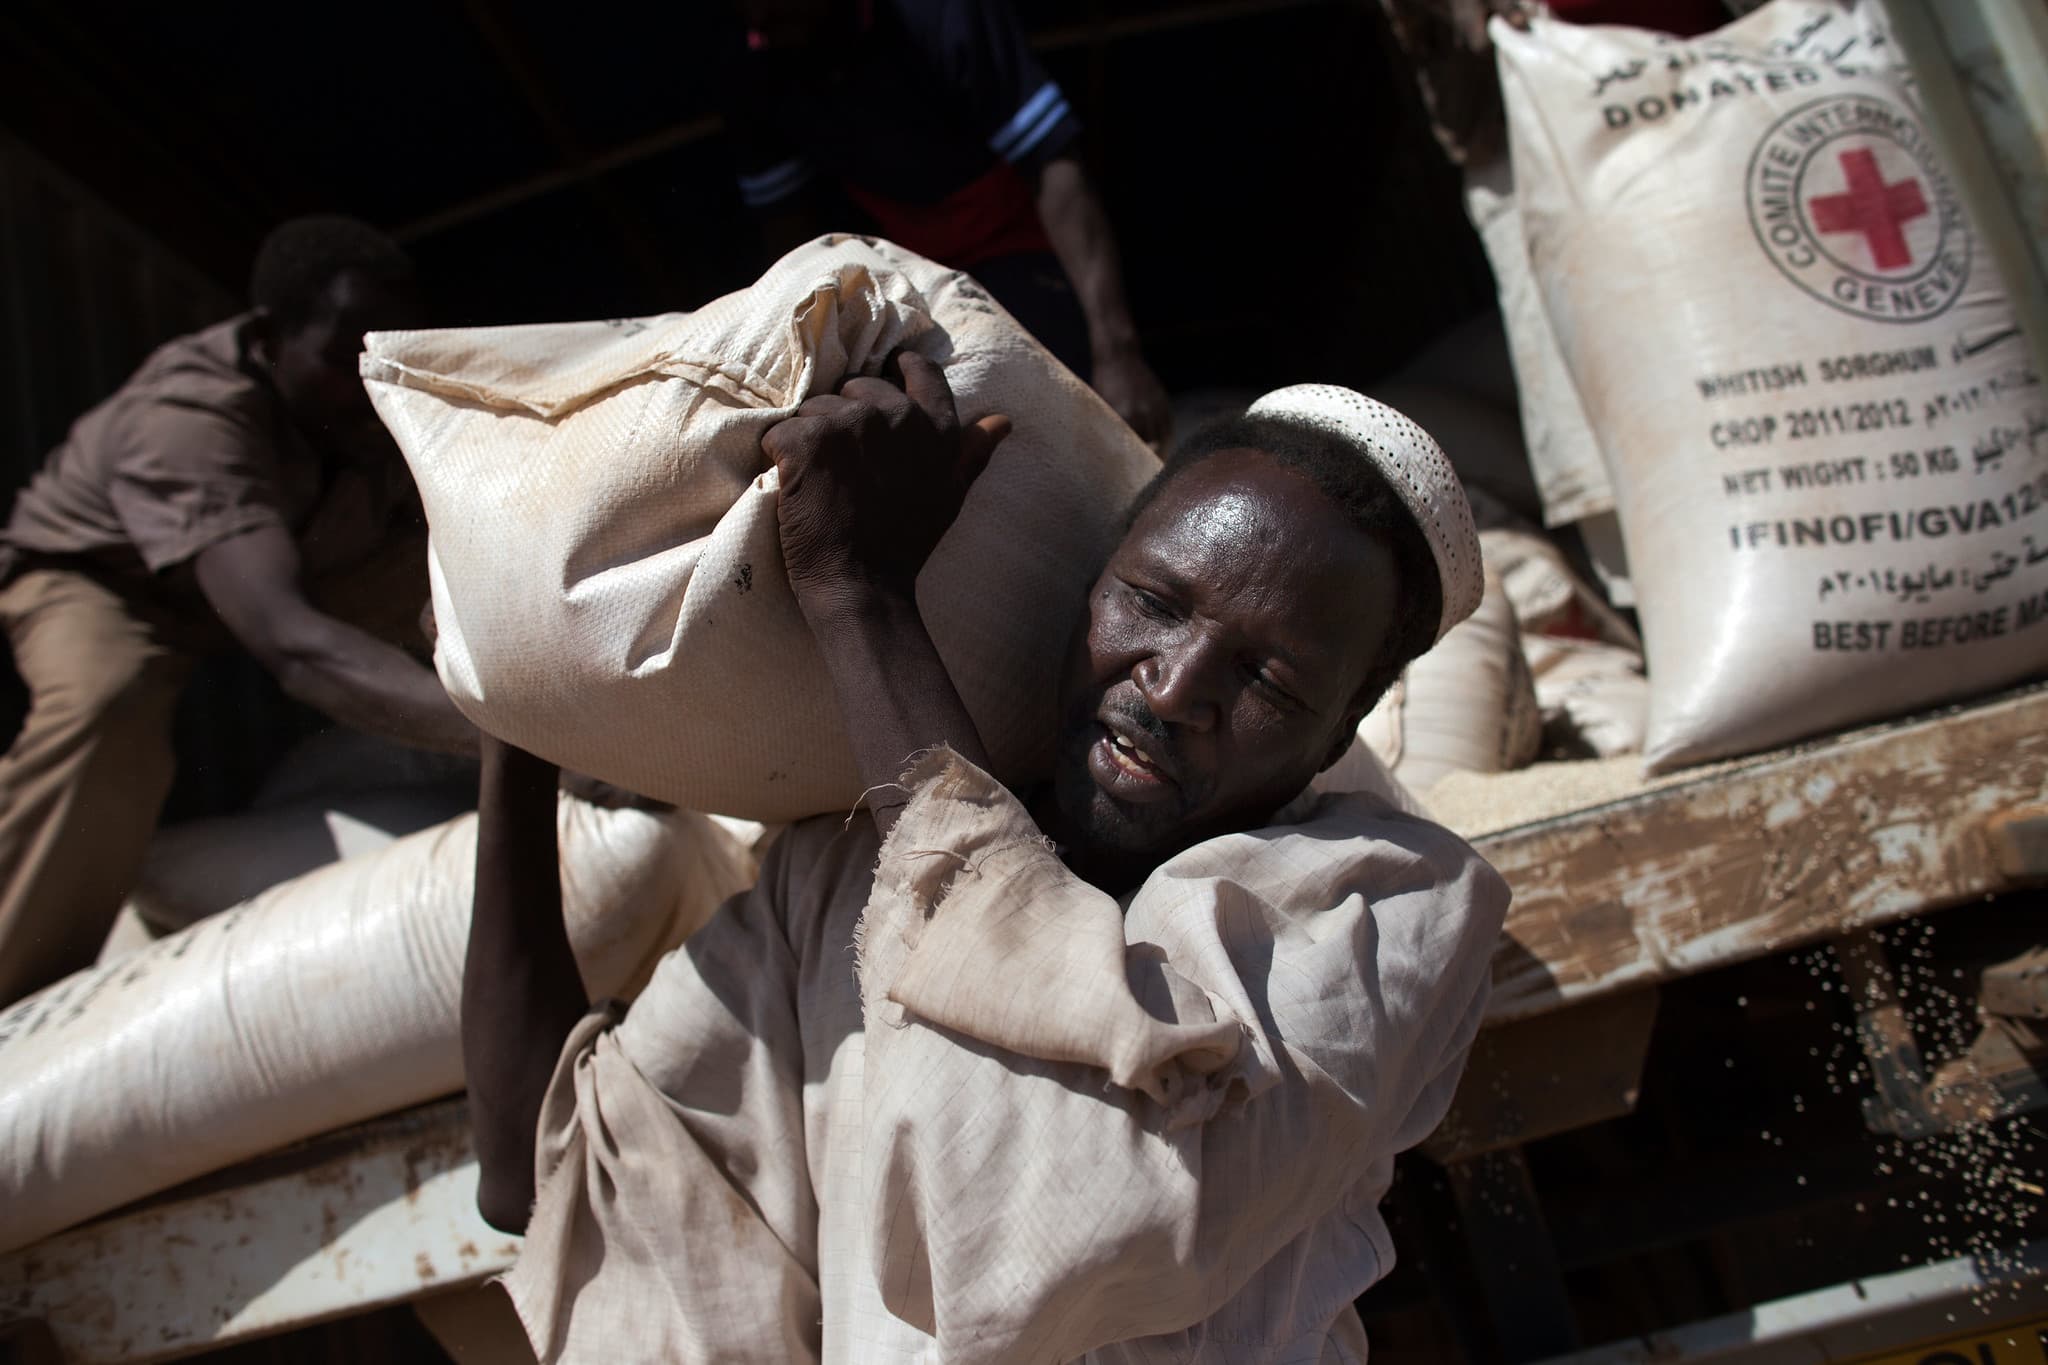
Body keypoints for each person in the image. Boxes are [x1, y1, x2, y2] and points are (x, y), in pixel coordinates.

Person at [463, 363, 1508, 1361]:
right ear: (1085, 583)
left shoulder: (1380, 907)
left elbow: (1057, 1210)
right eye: (1149, 602)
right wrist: (512, 719)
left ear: (1332, 741)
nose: (1174, 686)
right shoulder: (837, 884)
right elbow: (544, 1179)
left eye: (1267, 684)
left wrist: (859, 599)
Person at [0, 215, 475, 1006]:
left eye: (380, 348)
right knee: (106, 705)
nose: (365, 375)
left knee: (456, 573)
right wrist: (504, 730)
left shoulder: (365, 394)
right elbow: (294, 647)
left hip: (289, 560)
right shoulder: (188, 423)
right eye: (337, 353)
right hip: (110, 585)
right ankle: (18, 985)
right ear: (267, 337)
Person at [724, 0, 1174, 445]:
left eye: (775, 7)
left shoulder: (940, 12)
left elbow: (1052, 162)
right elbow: (787, 233)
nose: (759, 23)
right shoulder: (755, 62)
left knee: (1043, 405)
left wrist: (1117, 353)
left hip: (1013, 245)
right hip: (906, 274)